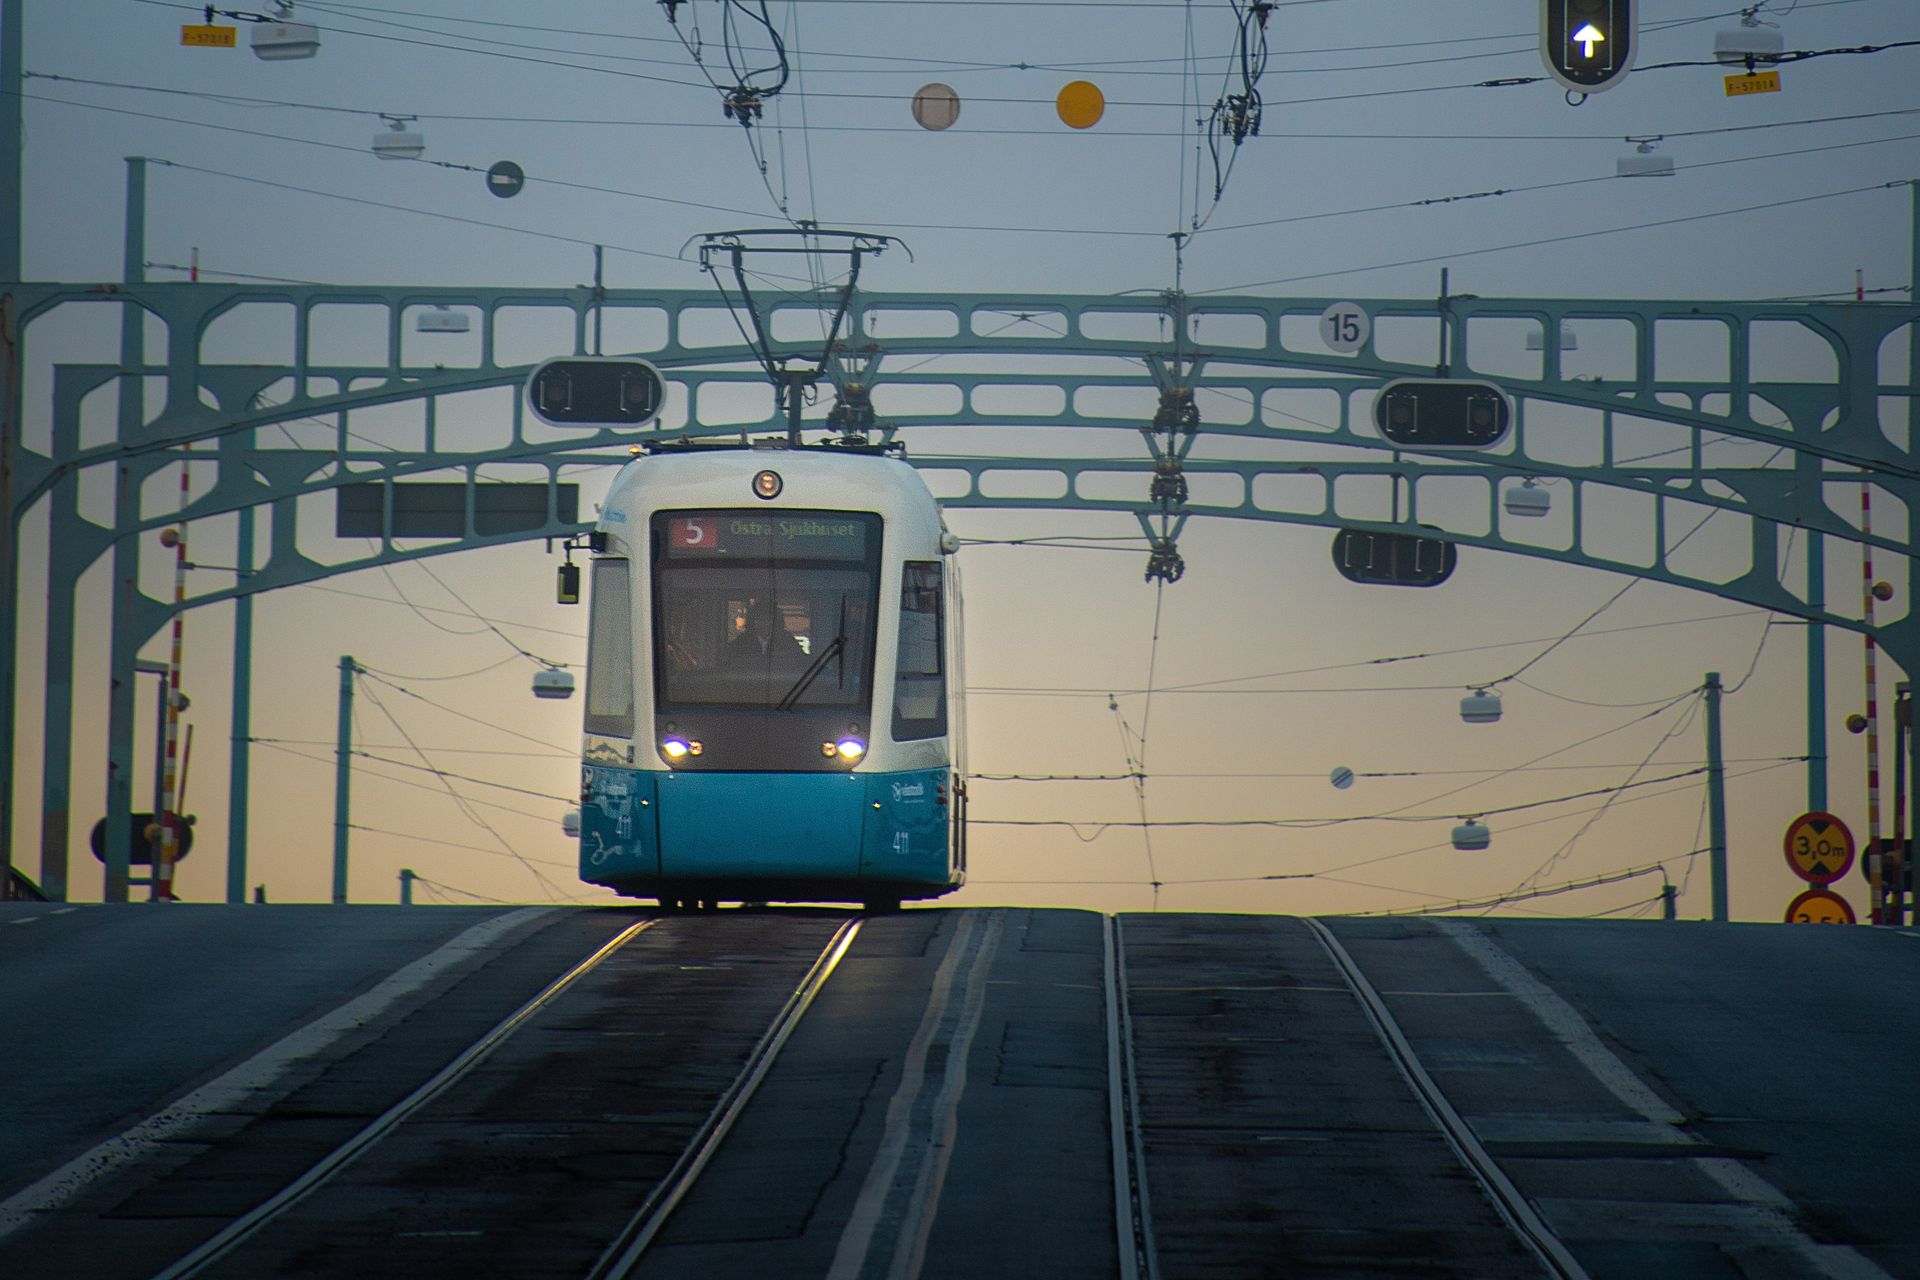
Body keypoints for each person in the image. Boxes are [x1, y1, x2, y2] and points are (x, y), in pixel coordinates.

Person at [725, 598, 806, 668]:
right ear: (752, 621)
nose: (764, 623)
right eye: (759, 620)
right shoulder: (741, 643)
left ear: (776, 621)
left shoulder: (788, 641)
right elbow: (731, 665)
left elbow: (801, 664)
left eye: (768, 620)